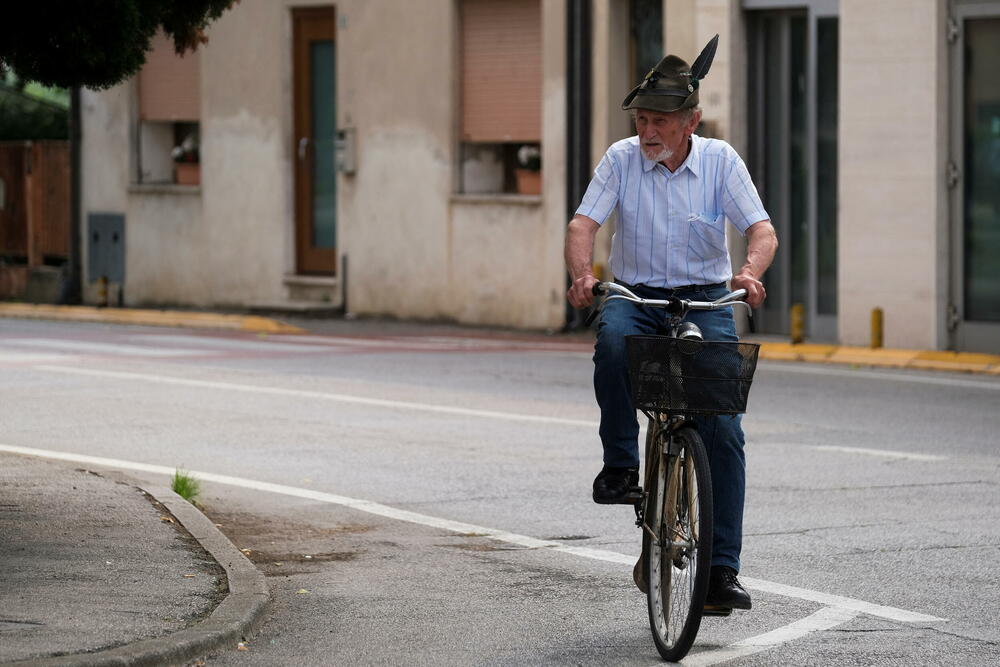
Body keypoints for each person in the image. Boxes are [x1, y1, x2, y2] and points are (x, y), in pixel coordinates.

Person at [564, 35, 777, 615]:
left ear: (691, 123)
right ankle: (620, 465)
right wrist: (583, 275)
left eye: (659, 120)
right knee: (612, 342)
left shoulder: (721, 161)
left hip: (705, 300)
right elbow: (583, 225)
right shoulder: (620, 159)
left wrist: (749, 273)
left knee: (724, 430)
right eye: (641, 119)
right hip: (637, 296)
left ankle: (721, 571)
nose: (647, 131)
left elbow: (761, 231)